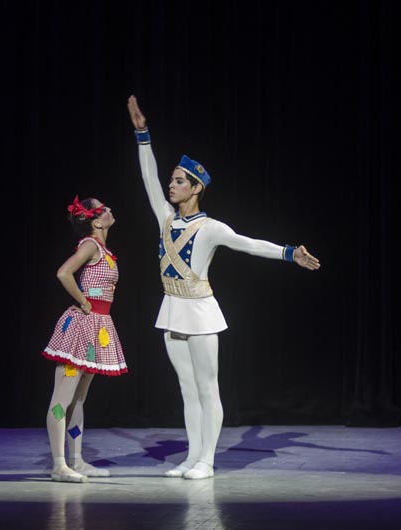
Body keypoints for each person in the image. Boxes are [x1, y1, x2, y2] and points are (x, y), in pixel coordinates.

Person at [126, 95, 321, 480]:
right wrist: (142, 134)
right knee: (187, 389)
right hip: (172, 307)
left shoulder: (211, 228)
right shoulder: (165, 217)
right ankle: (191, 456)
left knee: (207, 387)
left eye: (179, 181)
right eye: (172, 180)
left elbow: (249, 244)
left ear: (195, 188)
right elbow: (148, 178)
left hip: (200, 311)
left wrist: (288, 253)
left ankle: (207, 460)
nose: (171, 185)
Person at [41, 195, 127, 483]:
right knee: (62, 398)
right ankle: (59, 464)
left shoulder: (102, 249)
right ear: (96, 221)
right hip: (81, 328)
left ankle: (76, 460)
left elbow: (95, 286)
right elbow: (64, 273)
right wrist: (83, 301)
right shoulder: (90, 244)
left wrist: (92, 302)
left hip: (96, 329)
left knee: (78, 400)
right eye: (104, 208)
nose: (110, 209)